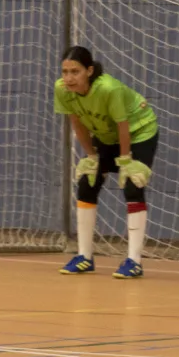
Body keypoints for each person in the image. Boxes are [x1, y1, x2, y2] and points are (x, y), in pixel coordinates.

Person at [55, 45, 158, 279]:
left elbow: (123, 125)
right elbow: (76, 122)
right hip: (106, 135)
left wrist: (125, 160)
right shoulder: (62, 89)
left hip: (139, 131)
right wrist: (91, 156)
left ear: (89, 71)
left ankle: (134, 261)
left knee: (132, 184)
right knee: (87, 183)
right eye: (65, 71)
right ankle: (84, 256)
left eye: (75, 72)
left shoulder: (109, 89)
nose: (69, 78)